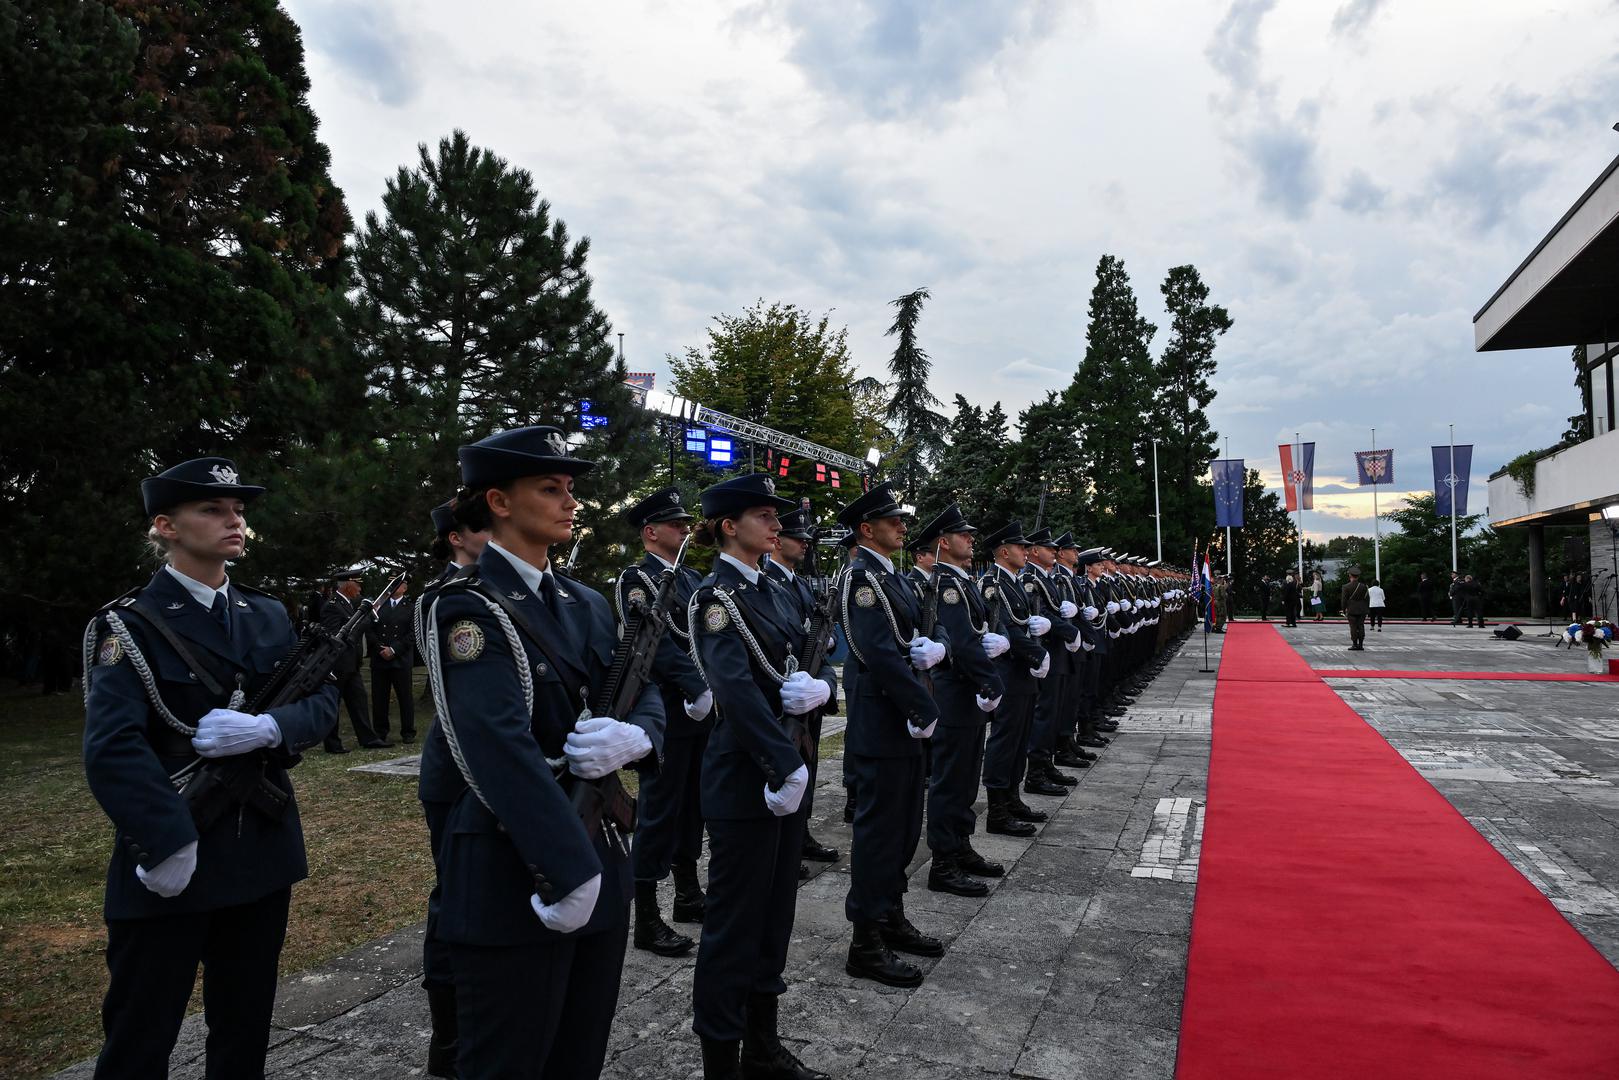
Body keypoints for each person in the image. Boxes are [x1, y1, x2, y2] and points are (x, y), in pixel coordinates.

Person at [82, 457, 339, 1078]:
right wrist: (167, 842)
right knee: (142, 1032)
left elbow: (322, 700)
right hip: (175, 844)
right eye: (213, 510)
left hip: (260, 850)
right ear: (165, 526)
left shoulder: (267, 613)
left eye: (239, 510)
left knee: (244, 1026)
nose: (234, 521)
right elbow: (113, 747)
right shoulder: (128, 625)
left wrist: (272, 727)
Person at [422, 425, 665, 1078]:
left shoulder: (584, 601)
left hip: (602, 860)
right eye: (550, 488)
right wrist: (567, 868)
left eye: (570, 488)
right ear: (498, 502)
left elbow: (644, 689)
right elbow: (495, 745)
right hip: (517, 868)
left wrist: (637, 737)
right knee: (508, 1062)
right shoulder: (465, 609)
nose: (570, 501)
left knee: (577, 1058)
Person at [688, 473, 831, 1080]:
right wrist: (784, 762)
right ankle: (723, 1058)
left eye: (777, 516)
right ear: (729, 526)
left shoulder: (772, 588)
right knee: (734, 925)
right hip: (749, 775)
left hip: (785, 765)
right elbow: (736, 691)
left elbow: (792, 663)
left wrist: (817, 691)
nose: (777, 524)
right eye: (763, 515)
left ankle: (763, 1047)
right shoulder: (715, 597)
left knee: (774, 915)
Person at [838, 482, 947, 989]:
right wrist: (921, 703)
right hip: (883, 723)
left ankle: (890, 915)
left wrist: (931, 650)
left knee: (904, 828)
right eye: (892, 520)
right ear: (866, 529)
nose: (903, 525)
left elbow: (915, 635)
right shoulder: (861, 578)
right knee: (879, 834)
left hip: (903, 722)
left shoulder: (895, 578)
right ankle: (865, 941)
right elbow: (878, 652)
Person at [616, 486, 712, 959]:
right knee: (659, 811)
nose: (685, 529)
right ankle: (647, 917)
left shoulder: (691, 578)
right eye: (675, 525)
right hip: (668, 709)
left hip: (700, 711)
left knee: (692, 806)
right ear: (651, 532)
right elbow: (655, 645)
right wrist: (697, 686)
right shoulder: (637, 579)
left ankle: (689, 894)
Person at [415, 492, 491, 1078]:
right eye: (480, 529)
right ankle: (448, 1035)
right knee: (452, 898)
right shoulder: (444, 599)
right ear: (457, 538)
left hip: (494, 765)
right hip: (455, 771)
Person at [916, 505, 1007, 897]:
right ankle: (943, 862)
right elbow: (965, 644)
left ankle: (961, 844)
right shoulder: (947, 584)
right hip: (955, 694)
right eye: (963, 535)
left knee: (967, 777)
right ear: (943, 542)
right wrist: (991, 682)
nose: (971, 539)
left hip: (968, 695)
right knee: (950, 782)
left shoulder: (964, 581)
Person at [763, 506, 841, 872]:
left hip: (809, 688)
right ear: (778, 542)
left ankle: (800, 831)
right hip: (787, 690)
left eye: (808, 540)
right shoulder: (769, 581)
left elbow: (820, 626)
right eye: (799, 539)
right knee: (789, 765)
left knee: (808, 761)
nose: (806, 545)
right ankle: (785, 837)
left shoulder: (797, 582)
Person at [978, 522, 1051, 838]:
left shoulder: (1016, 582)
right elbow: (1007, 628)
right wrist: (1037, 654)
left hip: (1023, 674)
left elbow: (1025, 626)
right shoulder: (993, 584)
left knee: (1020, 738)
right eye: (1021, 547)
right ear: (1004, 551)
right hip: (1007, 673)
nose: (1026, 551)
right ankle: (996, 810)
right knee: (1005, 740)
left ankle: (1012, 797)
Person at [1019, 527, 1081, 797]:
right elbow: (1041, 614)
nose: (1054, 551)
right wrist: (1070, 631)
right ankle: (1035, 772)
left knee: (1053, 712)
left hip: (1057, 653)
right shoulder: (1031, 578)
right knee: (1043, 715)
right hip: (1045, 654)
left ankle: (1046, 763)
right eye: (1048, 548)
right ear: (1034, 551)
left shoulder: (1048, 578)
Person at [323, 568, 390, 752]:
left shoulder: (349, 604)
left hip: (352, 663)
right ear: (347, 586)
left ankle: (368, 739)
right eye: (357, 584)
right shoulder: (332, 605)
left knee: (359, 700)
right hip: (338, 664)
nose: (360, 588)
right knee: (333, 704)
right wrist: (365, 620)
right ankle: (332, 743)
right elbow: (336, 636)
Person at [367, 575, 417, 743]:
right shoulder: (378, 606)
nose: (395, 587)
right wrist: (379, 647)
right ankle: (380, 731)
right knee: (379, 697)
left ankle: (408, 731)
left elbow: (413, 634)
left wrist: (394, 649)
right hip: (380, 657)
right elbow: (370, 628)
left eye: (399, 584)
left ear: (405, 587)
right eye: (392, 584)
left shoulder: (411, 607)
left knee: (405, 697)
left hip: (400, 658)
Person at [1341, 567, 1370, 650]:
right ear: (1358, 576)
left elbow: (1344, 600)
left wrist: (1343, 609)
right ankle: (1360, 645)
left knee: (1353, 627)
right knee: (1361, 626)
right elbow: (1367, 599)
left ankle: (1354, 644)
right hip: (1362, 609)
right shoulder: (1364, 586)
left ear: (1350, 575)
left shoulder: (1346, 586)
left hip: (1351, 609)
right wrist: (1367, 609)